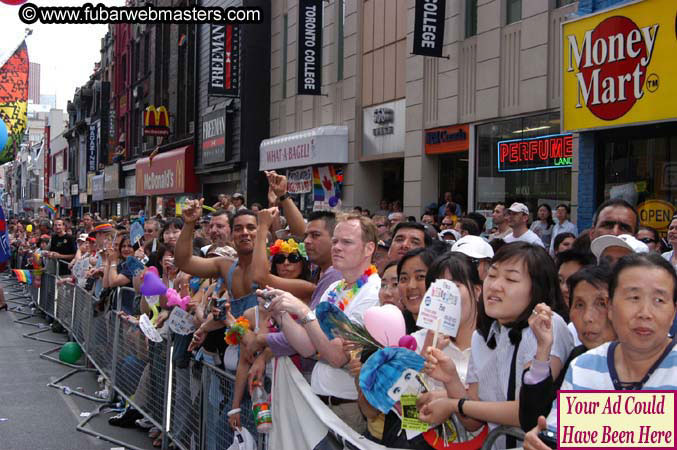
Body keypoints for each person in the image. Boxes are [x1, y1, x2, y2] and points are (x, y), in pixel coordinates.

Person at [417, 242, 573, 449]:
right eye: (492, 275)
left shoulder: (546, 327)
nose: (495, 285)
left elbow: (527, 411)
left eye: (511, 279)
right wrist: (451, 378)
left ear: (537, 288)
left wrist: (454, 404)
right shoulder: (482, 337)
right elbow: (472, 422)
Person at [524, 253, 677, 450]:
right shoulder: (583, 367)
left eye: (658, 300)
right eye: (634, 297)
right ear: (611, 308)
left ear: (673, 312)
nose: (644, 313)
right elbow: (558, 435)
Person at [266, 214, 381, 433]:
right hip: (320, 403)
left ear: (369, 249)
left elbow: (337, 357)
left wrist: (301, 311)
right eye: (335, 241)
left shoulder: (372, 292)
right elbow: (308, 347)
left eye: (346, 242)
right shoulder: (335, 287)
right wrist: (280, 312)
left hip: (346, 409)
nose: (337, 247)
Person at [519, 265, 616, 431]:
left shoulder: (647, 362)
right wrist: (543, 350)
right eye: (579, 305)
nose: (587, 317)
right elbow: (534, 422)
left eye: (601, 303)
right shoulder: (578, 360)